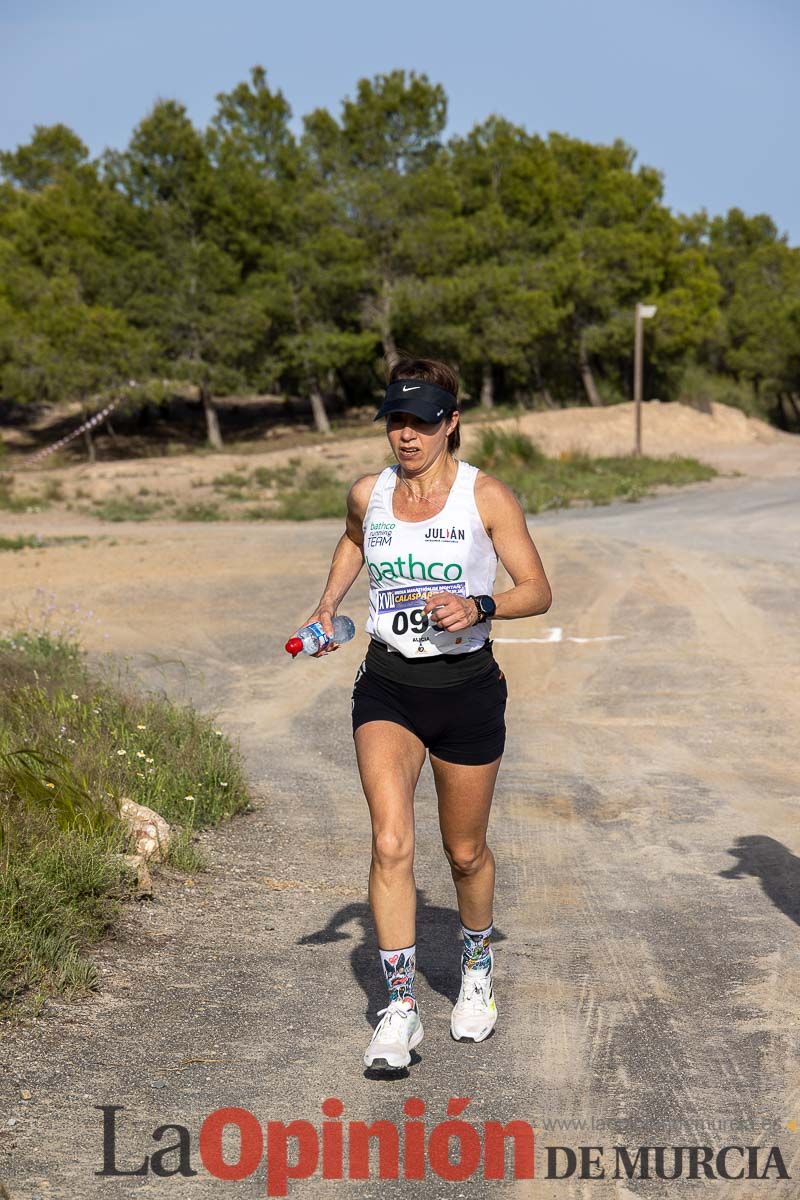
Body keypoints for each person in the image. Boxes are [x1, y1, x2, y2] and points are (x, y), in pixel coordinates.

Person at [299, 356, 552, 1071]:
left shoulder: (487, 498)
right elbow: (353, 539)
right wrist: (328, 605)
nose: (406, 436)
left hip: (468, 688)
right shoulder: (367, 493)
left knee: (465, 853)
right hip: (388, 687)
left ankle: (476, 973)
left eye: (421, 421)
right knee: (389, 843)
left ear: (452, 423)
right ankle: (400, 1008)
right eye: (396, 421)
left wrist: (479, 604)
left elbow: (536, 588)